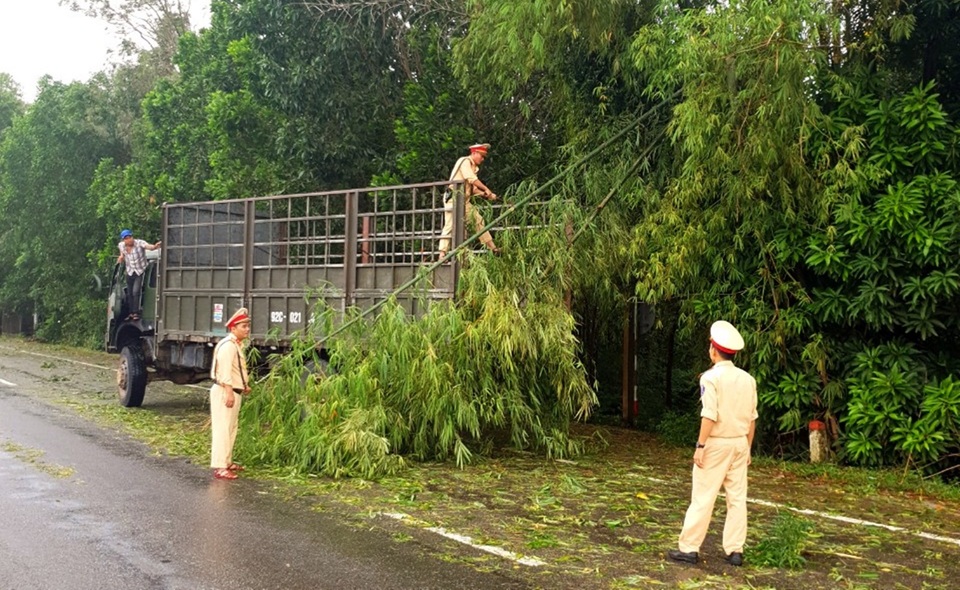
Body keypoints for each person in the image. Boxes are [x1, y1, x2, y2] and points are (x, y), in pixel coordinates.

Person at [668, 320, 758, 567]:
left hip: (717, 444)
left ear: (713, 350)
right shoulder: (748, 379)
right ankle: (735, 550)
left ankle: (689, 548)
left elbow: (709, 415)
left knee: (703, 496)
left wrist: (700, 446)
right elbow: (752, 418)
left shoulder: (710, 378)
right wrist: (748, 447)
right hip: (740, 443)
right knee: (737, 498)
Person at [209, 307, 252, 480]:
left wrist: (244, 386)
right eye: (243, 326)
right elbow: (225, 371)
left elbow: (237, 370)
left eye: (248, 326)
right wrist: (229, 392)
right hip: (225, 391)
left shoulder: (235, 345)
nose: (247, 329)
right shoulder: (228, 346)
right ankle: (220, 466)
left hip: (233, 390)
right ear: (233, 328)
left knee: (231, 428)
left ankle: (227, 461)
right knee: (222, 429)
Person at [437, 143, 501, 257]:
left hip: (464, 200)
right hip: (454, 197)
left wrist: (486, 195)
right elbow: (471, 179)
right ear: (474, 153)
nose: (482, 159)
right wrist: (486, 189)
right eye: (481, 156)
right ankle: (442, 253)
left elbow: (473, 189)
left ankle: (493, 248)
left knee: (478, 220)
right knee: (450, 224)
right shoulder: (465, 161)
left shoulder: (474, 167)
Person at [116, 229, 162, 320]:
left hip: (139, 271)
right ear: (124, 240)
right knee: (129, 293)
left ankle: (136, 312)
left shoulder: (139, 243)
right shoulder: (121, 245)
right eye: (127, 238)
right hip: (130, 271)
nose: (129, 239)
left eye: (130, 237)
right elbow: (122, 253)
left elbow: (149, 247)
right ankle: (131, 313)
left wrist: (155, 246)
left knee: (136, 291)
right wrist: (121, 256)